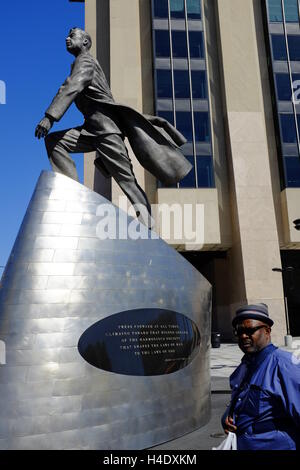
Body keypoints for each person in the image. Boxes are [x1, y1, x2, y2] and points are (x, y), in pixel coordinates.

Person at [35, 28, 191, 225]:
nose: (67, 39)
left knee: (126, 179)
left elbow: (72, 87)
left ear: (85, 42)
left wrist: (50, 117)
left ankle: (146, 221)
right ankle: (73, 194)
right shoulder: (79, 64)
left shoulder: (85, 62)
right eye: (67, 35)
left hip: (107, 132)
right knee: (55, 141)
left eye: (72, 36)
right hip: (91, 130)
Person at [222, 303, 300, 450]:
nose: (244, 336)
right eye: (239, 331)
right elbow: (239, 400)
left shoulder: (285, 365)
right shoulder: (245, 365)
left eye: (250, 330)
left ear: (267, 331)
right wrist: (228, 415)